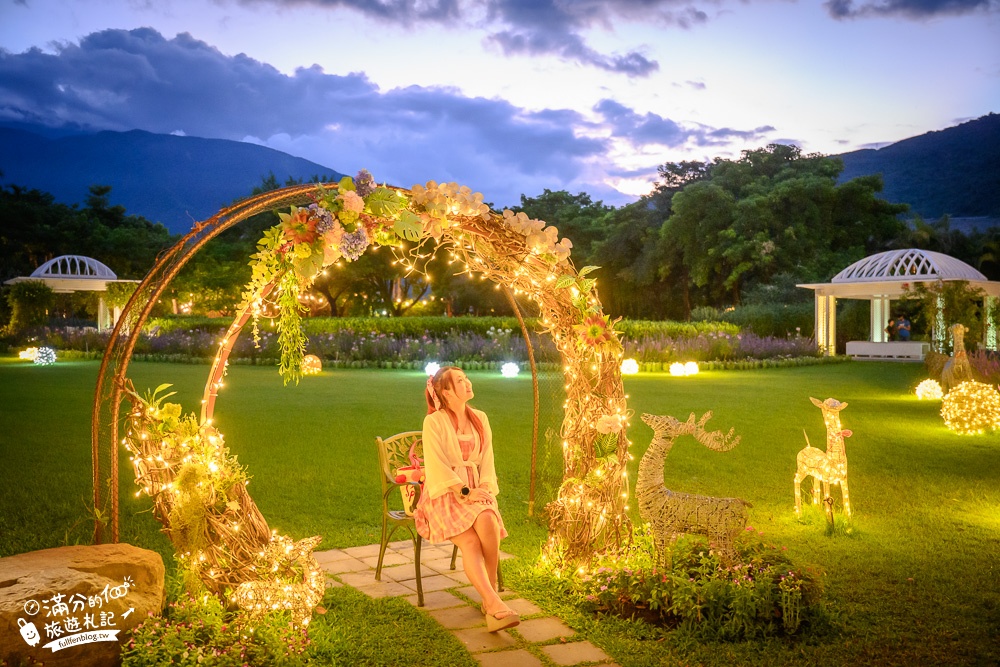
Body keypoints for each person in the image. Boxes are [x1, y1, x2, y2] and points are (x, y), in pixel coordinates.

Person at [413, 366, 520, 632]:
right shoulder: (434, 421)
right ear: (446, 392)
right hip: (446, 493)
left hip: (477, 488)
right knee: (470, 542)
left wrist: (483, 487)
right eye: (460, 381)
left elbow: (487, 459)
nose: (468, 383)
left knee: (488, 520)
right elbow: (436, 466)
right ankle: (493, 602)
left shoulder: (480, 418)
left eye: (466, 378)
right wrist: (464, 491)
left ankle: (491, 596)